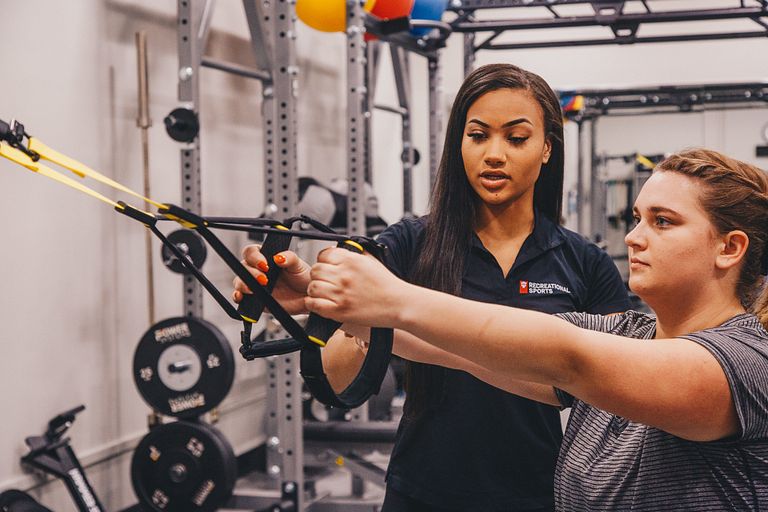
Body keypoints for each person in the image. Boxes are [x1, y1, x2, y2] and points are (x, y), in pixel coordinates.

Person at [234, 63, 631, 511]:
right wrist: (322, 304)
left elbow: (609, 389)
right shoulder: (410, 245)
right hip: (421, 493)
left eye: (516, 138)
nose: (494, 154)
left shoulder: (586, 263)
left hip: (536, 493)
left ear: (546, 149)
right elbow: (338, 381)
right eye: (477, 135)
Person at [303, 148, 768, 511]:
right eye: (637, 219)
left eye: (662, 222)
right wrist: (312, 291)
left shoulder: (748, 361)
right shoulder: (628, 331)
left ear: (730, 248)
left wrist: (394, 298)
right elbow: (464, 347)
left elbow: (568, 358)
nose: (633, 237)